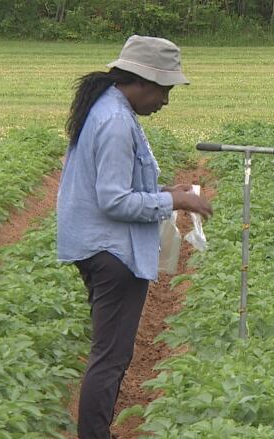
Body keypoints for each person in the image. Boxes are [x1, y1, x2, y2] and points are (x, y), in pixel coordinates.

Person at [56, 35, 213, 439]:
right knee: (110, 358)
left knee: (109, 354)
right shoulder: (114, 122)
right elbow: (113, 200)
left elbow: (117, 186)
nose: (165, 101)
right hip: (112, 252)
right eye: (165, 90)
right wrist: (170, 200)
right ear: (142, 81)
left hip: (99, 246)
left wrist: (168, 193)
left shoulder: (109, 108)